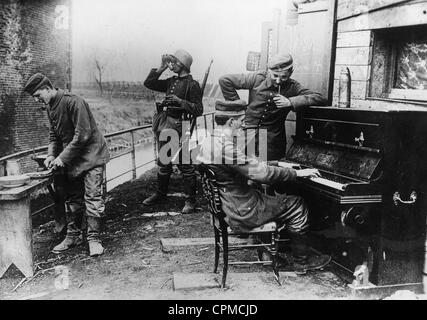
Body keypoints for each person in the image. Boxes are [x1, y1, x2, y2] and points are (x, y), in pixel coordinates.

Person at [196, 99, 331, 273]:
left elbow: (246, 163)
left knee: (263, 194)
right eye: (241, 120)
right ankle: (301, 262)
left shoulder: (210, 141)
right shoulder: (226, 147)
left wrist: (280, 165)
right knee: (297, 204)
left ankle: (266, 253)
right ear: (231, 121)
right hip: (241, 210)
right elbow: (262, 174)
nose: (244, 125)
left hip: (228, 204)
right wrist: (297, 173)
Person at [23, 73, 110, 257]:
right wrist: (50, 155)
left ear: (47, 88)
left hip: (92, 156)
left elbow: (83, 135)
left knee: (93, 198)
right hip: (74, 159)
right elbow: (54, 136)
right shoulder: (50, 107)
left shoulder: (74, 102)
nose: (39, 100)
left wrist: (61, 158)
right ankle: (73, 236)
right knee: (73, 198)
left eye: (39, 96)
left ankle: (94, 239)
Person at [219, 52, 327, 161]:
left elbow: (320, 98)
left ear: (291, 72)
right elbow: (225, 80)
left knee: (267, 170)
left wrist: (290, 101)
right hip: (248, 135)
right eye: (275, 76)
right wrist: (238, 108)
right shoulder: (257, 78)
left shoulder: (293, 87)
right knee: (245, 169)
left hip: (272, 140)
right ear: (269, 71)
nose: (278, 81)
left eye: (284, 77)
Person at [143, 49, 203, 214]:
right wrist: (161, 68)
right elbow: (149, 83)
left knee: (185, 165)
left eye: (172, 63)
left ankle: (190, 200)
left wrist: (180, 102)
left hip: (182, 126)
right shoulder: (171, 82)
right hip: (166, 125)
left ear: (181, 64)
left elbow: (198, 109)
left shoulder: (192, 85)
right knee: (164, 163)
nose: (170, 66)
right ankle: (161, 194)